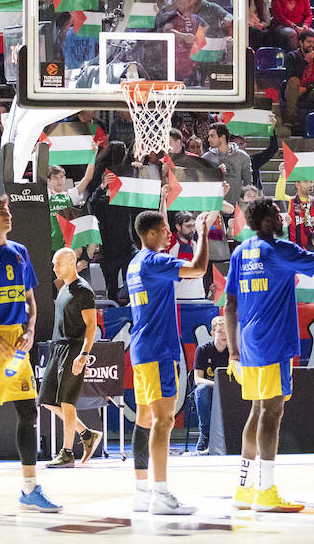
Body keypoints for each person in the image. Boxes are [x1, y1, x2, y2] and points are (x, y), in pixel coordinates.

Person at [223, 195, 314, 512]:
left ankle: (244, 488)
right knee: (271, 414)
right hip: (273, 343)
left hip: (248, 344)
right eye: (276, 214)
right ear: (264, 222)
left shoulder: (241, 252)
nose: (282, 217)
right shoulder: (280, 250)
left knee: (257, 411)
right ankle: (266, 491)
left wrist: (234, 350)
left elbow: (230, 303)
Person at [0, 194, 59, 513]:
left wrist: (30, 331)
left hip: (18, 342)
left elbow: (31, 301)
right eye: (1, 212)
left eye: (8, 211)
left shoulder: (20, 252)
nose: (8, 216)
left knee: (28, 413)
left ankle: (30, 488)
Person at [124, 209, 213, 515]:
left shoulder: (134, 264)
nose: (169, 234)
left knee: (145, 420)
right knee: (163, 421)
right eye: (164, 229)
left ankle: (141, 492)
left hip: (141, 349)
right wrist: (202, 232)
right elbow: (199, 268)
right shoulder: (154, 261)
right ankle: (160, 494)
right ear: (151, 234)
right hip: (159, 349)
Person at [41, 247, 102, 469]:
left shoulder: (83, 291)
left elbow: (91, 326)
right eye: (54, 263)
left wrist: (84, 355)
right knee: (47, 401)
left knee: (67, 403)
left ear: (70, 264)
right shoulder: (63, 288)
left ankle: (67, 453)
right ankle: (87, 434)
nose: (54, 267)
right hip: (57, 348)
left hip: (73, 349)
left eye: (57, 263)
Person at [192, 316, 230, 455]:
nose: (224, 335)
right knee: (201, 390)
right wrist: (218, 384)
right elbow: (198, 379)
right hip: (210, 389)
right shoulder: (202, 350)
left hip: (229, 390)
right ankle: (205, 433)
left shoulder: (234, 351)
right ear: (212, 333)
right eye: (220, 332)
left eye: (227, 331)